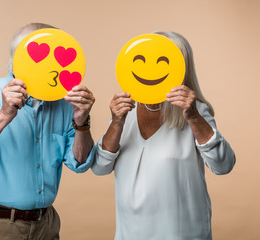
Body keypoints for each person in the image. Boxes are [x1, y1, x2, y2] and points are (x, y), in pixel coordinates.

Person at [0, 23, 96, 240]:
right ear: (16, 60)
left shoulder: (65, 104)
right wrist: (3, 115)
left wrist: (81, 121)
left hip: (45, 225)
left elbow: (80, 163)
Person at [91, 31, 235, 240]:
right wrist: (116, 122)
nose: (152, 69)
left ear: (181, 69)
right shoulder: (126, 111)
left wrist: (193, 116)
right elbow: (99, 167)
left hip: (183, 234)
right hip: (131, 233)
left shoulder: (196, 111)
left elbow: (224, 165)